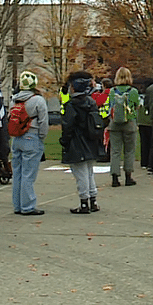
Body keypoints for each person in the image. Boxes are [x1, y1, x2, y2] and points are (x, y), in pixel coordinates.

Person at [61, 71, 102, 214]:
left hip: (76, 143)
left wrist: (64, 141)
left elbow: (68, 126)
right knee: (89, 172)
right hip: (91, 141)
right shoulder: (91, 102)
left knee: (81, 174)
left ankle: (84, 202)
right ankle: (93, 200)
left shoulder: (72, 105)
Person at [10, 71, 49, 216]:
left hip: (17, 138)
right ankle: (28, 206)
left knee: (18, 173)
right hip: (32, 137)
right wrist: (42, 136)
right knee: (28, 174)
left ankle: (17, 205)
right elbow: (43, 121)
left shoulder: (14, 99)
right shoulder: (38, 100)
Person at [108, 67, 140, 187]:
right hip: (129, 123)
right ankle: (128, 176)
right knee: (129, 150)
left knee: (115, 151)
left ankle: (115, 178)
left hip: (115, 123)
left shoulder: (112, 91)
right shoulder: (133, 91)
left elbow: (110, 106)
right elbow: (136, 106)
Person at [137, 78, 153, 172]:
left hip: (141, 121)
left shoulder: (140, 96)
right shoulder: (152, 96)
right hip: (151, 121)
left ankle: (144, 161)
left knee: (144, 142)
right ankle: (152, 162)